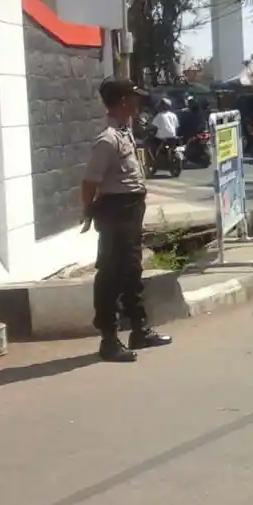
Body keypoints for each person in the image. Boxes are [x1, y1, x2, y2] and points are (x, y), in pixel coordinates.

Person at [82, 78, 173, 362]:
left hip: (131, 209)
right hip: (116, 211)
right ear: (123, 102)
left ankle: (139, 329)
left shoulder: (124, 131)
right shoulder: (107, 140)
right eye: (134, 98)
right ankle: (109, 339)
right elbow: (89, 182)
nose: (138, 103)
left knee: (132, 270)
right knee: (111, 273)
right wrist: (88, 211)